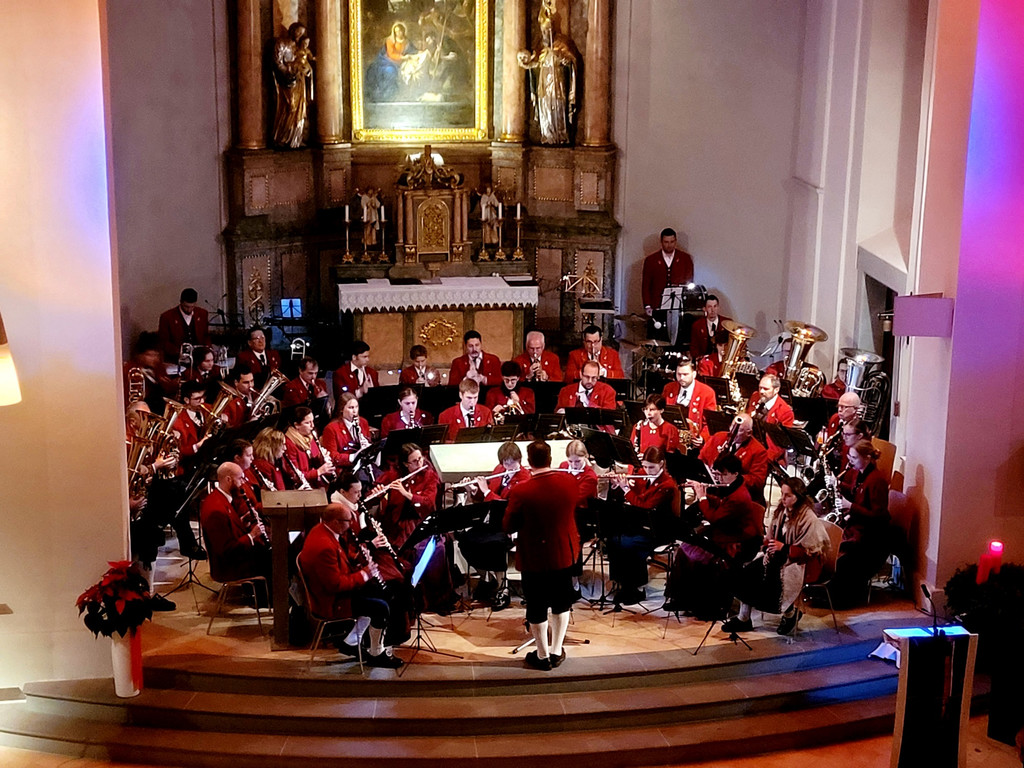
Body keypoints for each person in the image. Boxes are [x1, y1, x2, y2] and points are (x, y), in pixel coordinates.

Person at [503, 440, 580, 670]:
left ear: (528, 462)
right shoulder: (569, 481)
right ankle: (557, 650)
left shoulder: (521, 490)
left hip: (535, 557)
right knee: (561, 602)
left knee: (536, 606)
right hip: (563, 553)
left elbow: (508, 525)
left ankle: (543, 655)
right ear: (550, 459)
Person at [298, 502, 403, 668]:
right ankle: (376, 653)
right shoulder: (324, 545)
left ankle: (352, 642)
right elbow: (335, 585)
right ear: (335, 522)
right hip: (331, 602)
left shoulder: (321, 530)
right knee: (381, 606)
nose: (350, 525)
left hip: (331, 593)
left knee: (378, 591)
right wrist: (364, 574)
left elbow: (339, 564)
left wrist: (357, 563)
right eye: (348, 521)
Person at [723, 476, 830, 636]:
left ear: (798, 496)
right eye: (782, 494)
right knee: (748, 573)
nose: (783, 498)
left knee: (775, 581)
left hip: (799, 561)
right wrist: (769, 547)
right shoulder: (782, 511)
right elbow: (771, 536)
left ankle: (791, 615)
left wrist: (784, 548)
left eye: (788, 495)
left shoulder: (809, 518)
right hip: (779, 555)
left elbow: (811, 550)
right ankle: (744, 618)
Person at [664, 453, 764, 618]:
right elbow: (720, 505)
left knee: (698, 557)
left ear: (735, 473)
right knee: (684, 549)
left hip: (736, 540)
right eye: (718, 474)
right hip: (724, 532)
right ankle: (681, 597)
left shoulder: (740, 495)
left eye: (723, 474)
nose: (720, 478)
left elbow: (714, 517)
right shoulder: (732, 486)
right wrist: (704, 492)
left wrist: (701, 496)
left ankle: (703, 605)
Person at [457, 442, 532, 611]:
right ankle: (486, 577)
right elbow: (483, 501)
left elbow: (506, 506)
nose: (508, 466)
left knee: (495, 544)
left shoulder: (524, 478)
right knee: (465, 540)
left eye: (512, 462)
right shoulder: (499, 470)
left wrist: (486, 492)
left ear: (519, 460)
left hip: (510, 524)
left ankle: (502, 587)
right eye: (505, 462)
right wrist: (472, 490)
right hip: (492, 521)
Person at [605, 447, 679, 606]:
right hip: (641, 524)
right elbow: (635, 495)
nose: (647, 470)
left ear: (661, 464)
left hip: (659, 529)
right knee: (614, 538)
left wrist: (626, 489)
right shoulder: (642, 475)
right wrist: (618, 484)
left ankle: (636, 587)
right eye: (645, 466)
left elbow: (644, 506)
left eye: (651, 467)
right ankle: (622, 583)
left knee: (629, 544)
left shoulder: (667, 485)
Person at [829, 439, 890, 606]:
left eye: (854, 458)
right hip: (856, 528)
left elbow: (878, 516)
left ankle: (840, 598)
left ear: (868, 457)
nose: (850, 461)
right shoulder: (859, 473)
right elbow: (857, 491)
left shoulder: (877, 480)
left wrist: (851, 507)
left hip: (869, 537)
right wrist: (838, 484)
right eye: (850, 456)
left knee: (842, 562)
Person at [516, 0, 578, 146]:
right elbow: (534, 64)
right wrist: (526, 62)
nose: (545, 33)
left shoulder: (561, 44)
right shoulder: (540, 49)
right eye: (543, 31)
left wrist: (562, 58)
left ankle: (560, 135)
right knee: (545, 109)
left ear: (553, 30)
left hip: (557, 83)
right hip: (544, 85)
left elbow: (571, 61)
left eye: (548, 30)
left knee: (557, 107)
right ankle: (547, 135)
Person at [199, 462, 271, 586]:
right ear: (228, 479)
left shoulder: (220, 498)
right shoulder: (216, 510)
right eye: (239, 478)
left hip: (235, 559)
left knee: (275, 551)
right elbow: (226, 551)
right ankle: (271, 598)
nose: (242, 482)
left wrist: (244, 521)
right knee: (275, 558)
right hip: (228, 567)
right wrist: (252, 535)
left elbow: (228, 529)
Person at [699, 414, 769, 505]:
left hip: (738, 500)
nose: (732, 433)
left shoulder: (759, 451)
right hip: (713, 493)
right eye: (732, 427)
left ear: (749, 433)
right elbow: (701, 459)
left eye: (738, 430)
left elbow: (757, 481)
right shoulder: (718, 437)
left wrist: (731, 477)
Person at [271, 22, 314, 149]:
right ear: (292, 30)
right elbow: (278, 62)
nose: (299, 35)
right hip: (287, 81)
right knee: (291, 107)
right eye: (298, 32)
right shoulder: (281, 43)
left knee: (301, 109)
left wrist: (306, 70)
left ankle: (296, 139)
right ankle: (282, 137)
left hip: (299, 81)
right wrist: (289, 70)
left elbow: (304, 61)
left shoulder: (299, 47)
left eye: (302, 33)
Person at [641, 228, 695, 318]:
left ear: (675, 241)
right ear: (661, 242)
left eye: (672, 242)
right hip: (657, 305)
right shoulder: (651, 260)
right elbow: (646, 285)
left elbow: (689, 282)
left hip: (679, 306)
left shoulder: (685, 259)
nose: (669, 245)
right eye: (666, 242)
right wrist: (647, 305)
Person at [661, 358, 717, 444]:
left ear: (694, 374)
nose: (681, 378)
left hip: (693, 443)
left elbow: (710, 422)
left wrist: (703, 437)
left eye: (685, 374)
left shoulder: (707, 393)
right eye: (678, 374)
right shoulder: (668, 388)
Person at [746, 374, 795, 463]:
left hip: (767, 453)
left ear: (776, 390)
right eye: (760, 387)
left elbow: (780, 445)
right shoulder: (755, 396)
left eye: (766, 389)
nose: (761, 391)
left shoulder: (785, 412)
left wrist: (763, 459)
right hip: (749, 445)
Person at [283, 406, 335, 489]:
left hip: (315, 484)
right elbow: (294, 475)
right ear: (296, 425)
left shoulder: (310, 436)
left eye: (312, 421)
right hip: (301, 489)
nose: (312, 425)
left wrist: (322, 458)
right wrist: (318, 472)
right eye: (307, 423)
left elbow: (313, 461)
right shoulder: (289, 444)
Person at [124, 331, 174, 412]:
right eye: (150, 355)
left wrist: (170, 384)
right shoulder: (130, 370)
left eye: (157, 355)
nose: (155, 358)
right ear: (139, 355)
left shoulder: (159, 368)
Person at [158, 288, 211, 361]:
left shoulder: (202, 314)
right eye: (186, 307)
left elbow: (206, 336)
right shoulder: (167, 317)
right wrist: (178, 352)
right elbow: (163, 341)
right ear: (181, 302)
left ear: (195, 303)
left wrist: (207, 349)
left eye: (192, 307)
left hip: (199, 359)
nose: (189, 310)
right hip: (176, 359)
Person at [279, 356, 330, 424]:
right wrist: (317, 401)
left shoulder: (320, 384)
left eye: (316, 373)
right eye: (310, 373)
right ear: (300, 371)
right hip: (300, 422)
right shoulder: (291, 387)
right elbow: (299, 412)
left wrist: (324, 399)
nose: (313, 377)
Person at [689, 295, 729, 360]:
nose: (713, 310)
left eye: (715, 306)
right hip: (704, 362)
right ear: (704, 309)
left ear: (718, 307)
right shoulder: (697, 325)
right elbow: (693, 348)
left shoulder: (727, 323)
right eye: (710, 307)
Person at [221, 364, 256, 429]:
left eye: (252, 381)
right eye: (246, 382)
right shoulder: (230, 403)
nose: (251, 385)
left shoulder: (256, 394)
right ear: (236, 382)